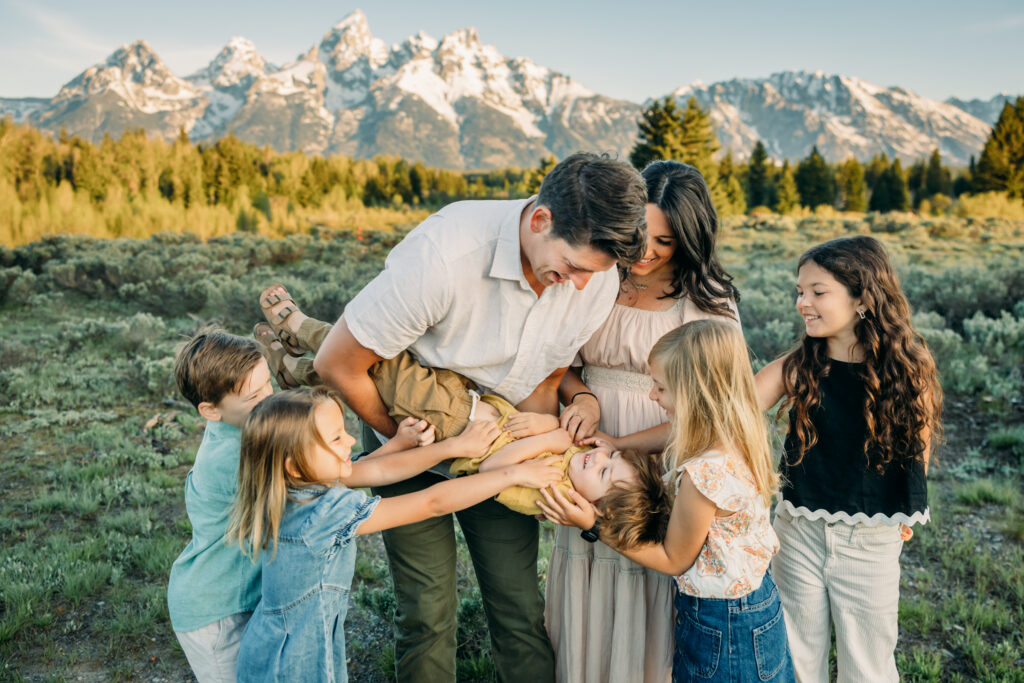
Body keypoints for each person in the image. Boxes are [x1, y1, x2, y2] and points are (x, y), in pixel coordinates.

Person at [309, 152, 648, 682]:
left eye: (594, 273)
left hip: (506, 447)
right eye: (575, 267)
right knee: (426, 611)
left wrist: (533, 462)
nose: (581, 285)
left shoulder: (593, 280)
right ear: (540, 220)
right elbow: (337, 363)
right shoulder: (444, 254)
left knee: (518, 606)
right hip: (407, 433)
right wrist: (415, 442)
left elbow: (547, 376)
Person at [544, 161, 740, 683]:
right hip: (589, 444)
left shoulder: (706, 300)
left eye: (666, 242)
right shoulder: (594, 275)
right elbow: (559, 362)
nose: (646, 252)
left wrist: (622, 443)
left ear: (690, 240)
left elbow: (712, 412)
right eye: (639, 235)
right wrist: (581, 397)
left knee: (640, 556)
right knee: (586, 552)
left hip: (661, 450)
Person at [229, 387, 564, 682]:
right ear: (294, 464)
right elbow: (432, 503)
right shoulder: (323, 514)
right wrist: (512, 474)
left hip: (275, 644)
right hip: (294, 662)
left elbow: (376, 468)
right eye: (336, 439)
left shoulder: (292, 486)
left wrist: (446, 446)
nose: (350, 440)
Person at [540, 319, 796, 683]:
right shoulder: (734, 431)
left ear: (693, 394)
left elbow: (673, 559)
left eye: (660, 387)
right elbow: (673, 432)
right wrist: (618, 444)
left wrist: (593, 524)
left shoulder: (703, 476)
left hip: (723, 625)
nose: (652, 396)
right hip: (756, 605)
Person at [254, 297, 668, 517]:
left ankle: (302, 328)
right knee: (382, 373)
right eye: (611, 458)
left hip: (452, 424)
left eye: (604, 473)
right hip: (468, 400)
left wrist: (551, 438)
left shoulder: (551, 491)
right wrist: (549, 426)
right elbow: (544, 425)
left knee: (382, 363)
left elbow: (494, 470)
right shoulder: (576, 458)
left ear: (593, 504)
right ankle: (297, 370)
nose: (599, 459)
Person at [754, 236, 942, 683]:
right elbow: (729, 411)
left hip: (871, 537)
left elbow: (919, 444)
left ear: (862, 298)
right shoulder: (798, 365)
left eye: (818, 292)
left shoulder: (908, 367)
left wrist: (907, 509)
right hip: (797, 529)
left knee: (868, 665)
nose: (802, 303)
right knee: (796, 657)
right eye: (800, 291)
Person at [166, 328, 272, 682]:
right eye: (254, 396)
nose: (269, 399)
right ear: (210, 410)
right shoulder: (232, 456)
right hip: (214, 613)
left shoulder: (242, 423)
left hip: (237, 596)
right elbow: (326, 481)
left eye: (268, 384)